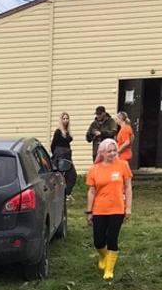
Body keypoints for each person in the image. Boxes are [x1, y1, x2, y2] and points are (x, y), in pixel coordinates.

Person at [86, 138, 133, 280]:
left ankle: (109, 269)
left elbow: (128, 187)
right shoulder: (95, 169)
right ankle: (103, 256)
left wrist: (128, 207)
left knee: (112, 238)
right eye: (109, 151)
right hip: (99, 209)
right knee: (98, 241)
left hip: (117, 209)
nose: (113, 153)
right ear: (102, 153)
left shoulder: (123, 165)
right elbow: (91, 191)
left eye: (114, 150)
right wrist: (89, 211)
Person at [50, 111, 77, 197]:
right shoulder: (58, 131)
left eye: (67, 118)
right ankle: (58, 194)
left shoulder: (68, 132)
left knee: (72, 175)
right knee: (59, 176)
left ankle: (66, 193)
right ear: (61, 120)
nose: (65, 120)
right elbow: (53, 145)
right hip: (60, 156)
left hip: (67, 156)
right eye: (64, 118)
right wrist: (56, 155)